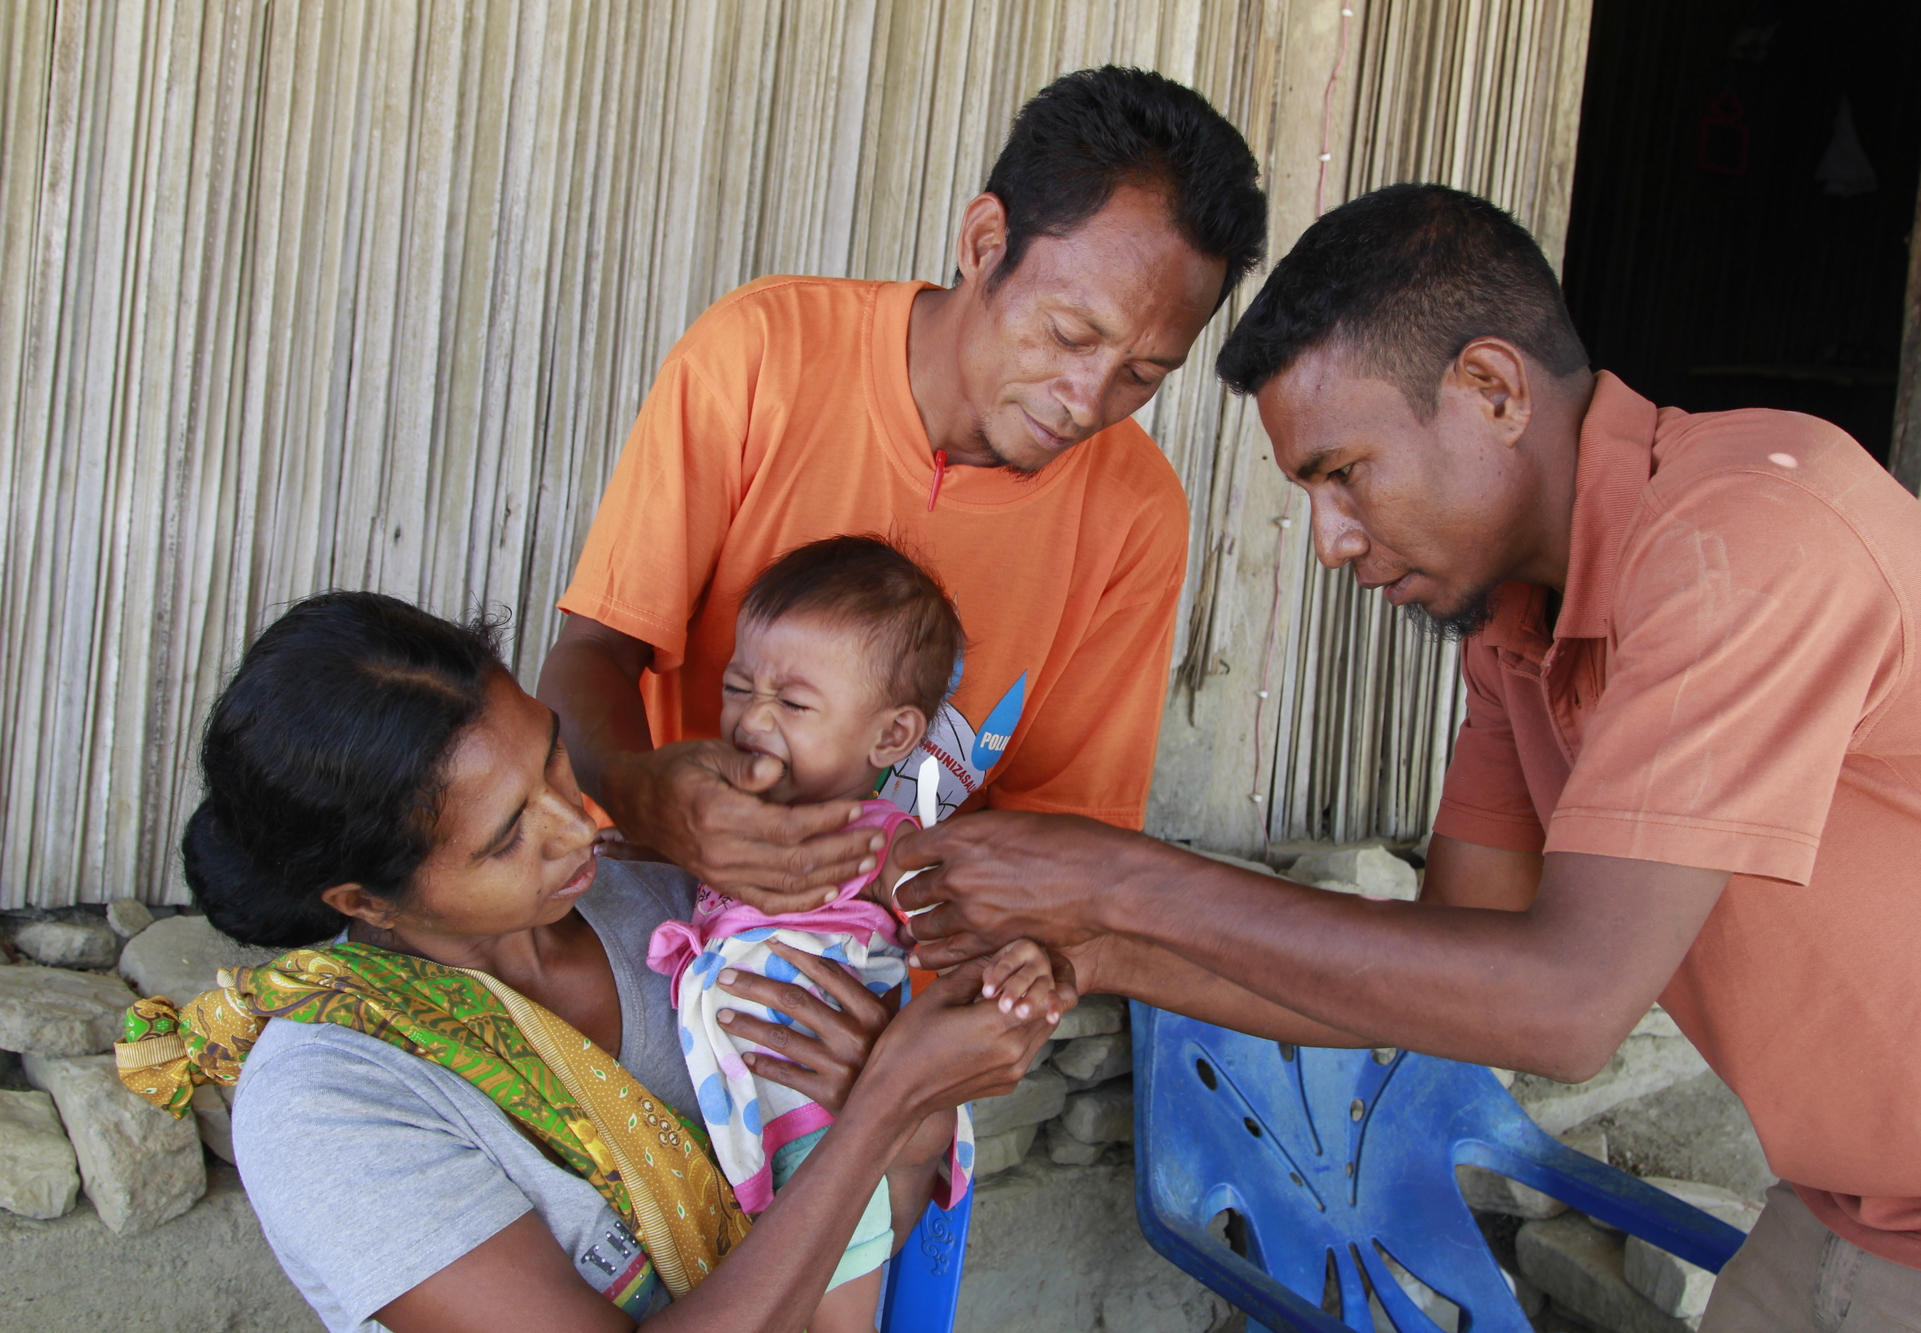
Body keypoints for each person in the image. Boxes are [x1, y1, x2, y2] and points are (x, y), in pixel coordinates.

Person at [889, 185, 1921, 1330]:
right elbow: (1442, 972)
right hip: (1846, 1212)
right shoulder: (1517, 631)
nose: (1328, 541)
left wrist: (1110, 878)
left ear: (1490, 390)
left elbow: (1566, 1004)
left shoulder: (1746, 542)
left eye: (1341, 472)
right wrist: (1098, 952)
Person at [116, 591, 1067, 1333]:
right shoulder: (332, 1104)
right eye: (505, 837)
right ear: (364, 901)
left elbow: (857, 1233)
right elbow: (861, 1149)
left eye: (556, 761)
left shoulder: (685, 909)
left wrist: (916, 1120)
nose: (580, 826)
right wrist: (886, 1108)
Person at [538, 65, 1267, 913]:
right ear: (985, 242)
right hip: (647, 901)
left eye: (1143, 374)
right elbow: (593, 654)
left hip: (885, 964)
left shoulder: (1136, 514)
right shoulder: (763, 355)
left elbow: (1067, 844)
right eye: (1069, 334)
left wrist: (927, 1015)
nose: (1087, 401)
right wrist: (649, 796)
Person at [645, 536, 1061, 1331]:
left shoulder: (877, 842)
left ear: (891, 737)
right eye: (739, 687)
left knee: (831, 1308)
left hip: (825, 1118)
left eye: (793, 705)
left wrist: (1015, 954)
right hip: (731, 1108)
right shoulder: (720, 813)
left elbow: (963, 908)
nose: (753, 717)